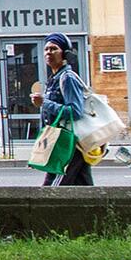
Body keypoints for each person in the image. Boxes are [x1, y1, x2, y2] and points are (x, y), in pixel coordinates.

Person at [34, 33, 93, 187]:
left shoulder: (67, 78)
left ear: (65, 54)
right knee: (83, 184)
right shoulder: (54, 79)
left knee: (54, 188)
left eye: (54, 49)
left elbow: (75, 111)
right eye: (46, 49)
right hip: (59, 141)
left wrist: (45, 103)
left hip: (69, 143)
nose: (48, 53)